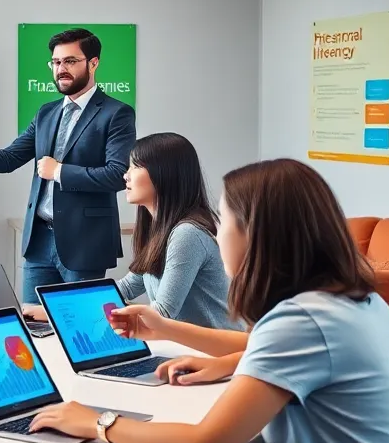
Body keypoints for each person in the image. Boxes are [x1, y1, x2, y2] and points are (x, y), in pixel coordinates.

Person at [25, 158, 389, 443]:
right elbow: (258, 345)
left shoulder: (301, 322)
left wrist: (97, 422)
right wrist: (175, 334)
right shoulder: (353, 301)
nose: (217, 234)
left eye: (223, 221)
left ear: (256, 235)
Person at [0, 28, 136, 301]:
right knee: (32, 319)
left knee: (75, 322)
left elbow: (117, 175)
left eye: (70, 61)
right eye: (56, 62)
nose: (61, 69)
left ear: (93, 63)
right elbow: (8, 159)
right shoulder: (46, 113)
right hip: (39, 241)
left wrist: (58, 171)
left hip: (84, 242)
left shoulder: (116, 113)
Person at [29, 131, 237, 330]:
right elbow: (126, 287)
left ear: (164, 175)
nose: (125, 176)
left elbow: (162, 313)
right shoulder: (159, 229)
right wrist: (54, 310)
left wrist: (68, 315)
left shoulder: (187, 234)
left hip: (211, 351)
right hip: (180, 347)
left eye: (135, 167)